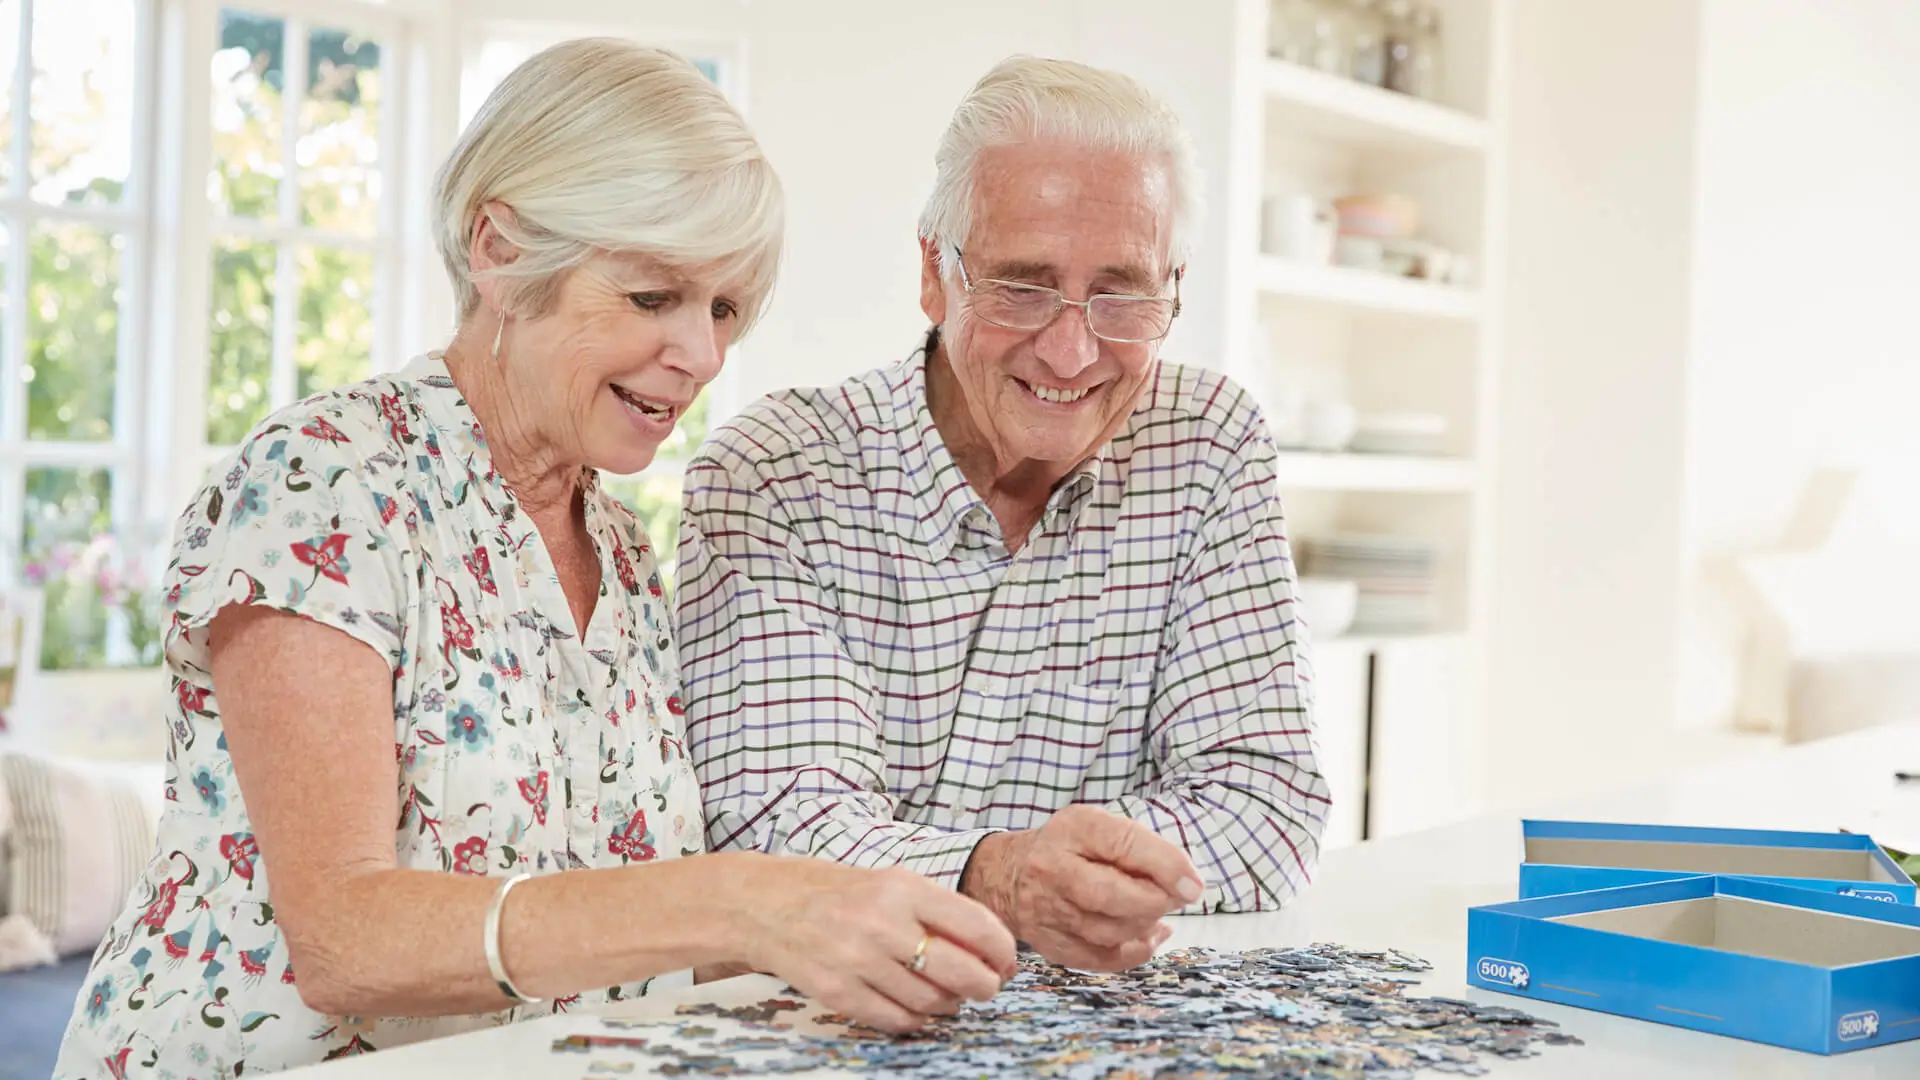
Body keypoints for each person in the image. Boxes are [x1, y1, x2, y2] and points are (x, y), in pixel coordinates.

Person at [57, 40, 1014, 1079]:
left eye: (725, 309)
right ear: (500, 253)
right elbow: (345, 939)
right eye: (655, 297)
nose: (700, 355)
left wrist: (882, 935)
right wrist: (744, 901)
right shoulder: (324, 481)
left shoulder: (622, 552)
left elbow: (605, 937)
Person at [677, 55, 1331, 975]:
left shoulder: (1210, 442)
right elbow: (779, 830)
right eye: (1021, 285)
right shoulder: (778, 473)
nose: (1070, 351)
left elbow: (1266, 807)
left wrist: (1033, 878)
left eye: (1121, 292)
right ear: (933, 274)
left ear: (1173, 289)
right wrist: (1003, 877)